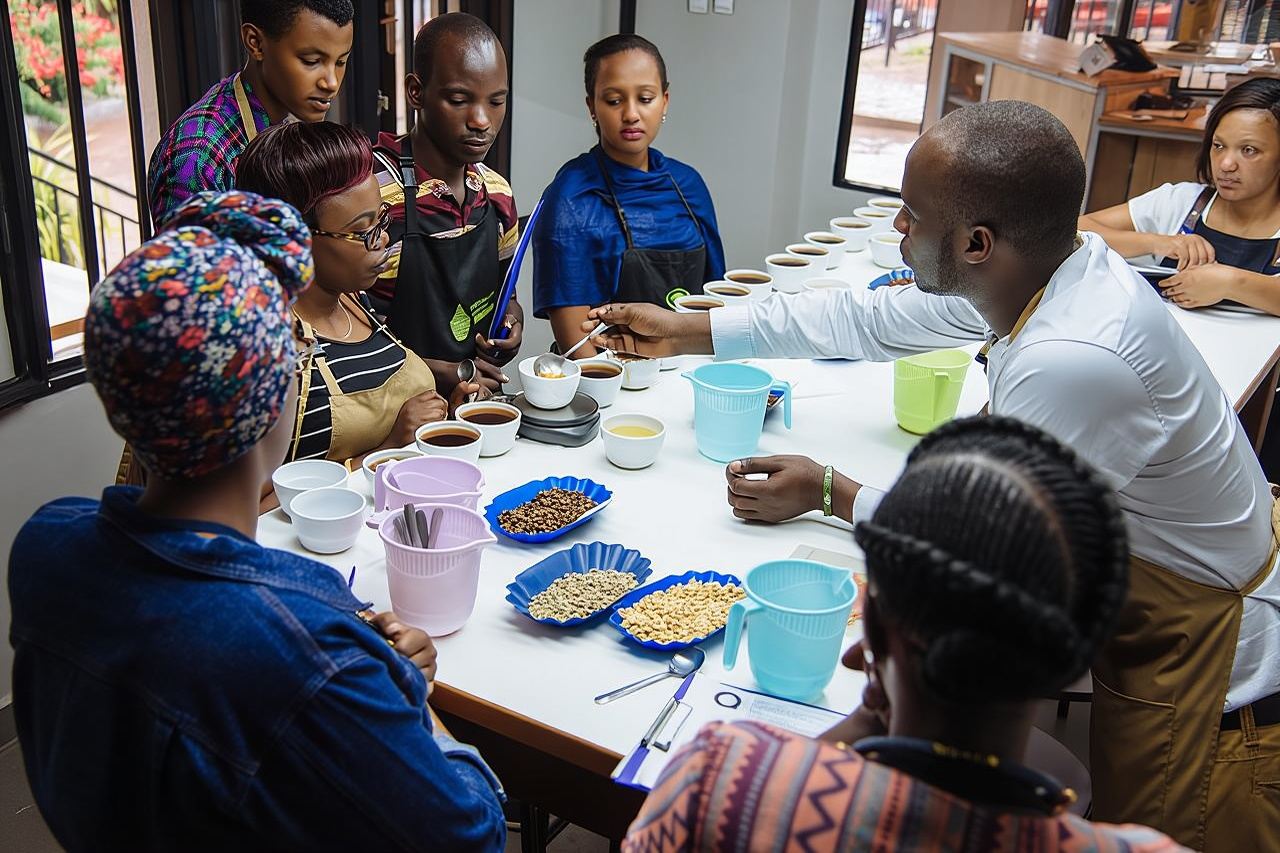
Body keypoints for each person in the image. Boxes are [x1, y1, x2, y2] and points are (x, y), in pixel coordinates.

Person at [588, 100, 1280, 850]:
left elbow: (988, 541)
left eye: (912, 217)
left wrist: (832, 491)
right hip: (1164, 588)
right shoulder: (1047, 269)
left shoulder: (1075, 356)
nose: (897, 231)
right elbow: (867, 319)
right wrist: (688, 330)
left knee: (1176, 823)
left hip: (1204, 648)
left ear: (978, 242)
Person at [7, 191, 506, 851]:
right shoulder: (311, 654)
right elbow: (473, 832)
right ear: (275, 400)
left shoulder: (45, 548)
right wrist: (401, 691)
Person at [624, 417, 1185, 852]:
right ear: (1074, 657)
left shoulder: (724, 780)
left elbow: (761, 796)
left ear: (867, 630)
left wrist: (871, 710)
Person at [236, 122, 480, 469]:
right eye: (362, 231)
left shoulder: (354, 302)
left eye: (382, 221)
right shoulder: (274, 351)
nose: (382, 240)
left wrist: (445, 417)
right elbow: (253, 506)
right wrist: (388, 447)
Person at [532, 34, 725, 357]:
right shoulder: (570, 198)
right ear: (591, 106)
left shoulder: (689, 185)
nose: (631, 114)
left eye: (645, 98)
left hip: (693, 364)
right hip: (614, 377)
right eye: (613, 100)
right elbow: (578, 346)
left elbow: (715, 300)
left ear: (665, 100)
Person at [370, 12, 522, 396]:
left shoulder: (497, 193)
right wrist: (446, 372)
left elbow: (508, 295)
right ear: (416, 92)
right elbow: (345, 331)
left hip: (480, 404)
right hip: (395, 415)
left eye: (497, 101)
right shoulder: (372, 193)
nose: (482, 120)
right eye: (459, 100)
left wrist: (511, 324)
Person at [1079, 77, 1280, 314]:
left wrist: (1229, 282)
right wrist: (1160, 242)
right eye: (1218, 146)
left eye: (1249, 150)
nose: (1226, 164)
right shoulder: (1181, 201)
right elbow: (1080, 228)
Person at [146, 0, 354, 227]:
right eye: (311, 61)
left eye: (341, 61)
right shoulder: (197, 159)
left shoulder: (288, 111)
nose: (332, 83)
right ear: (255, 43)